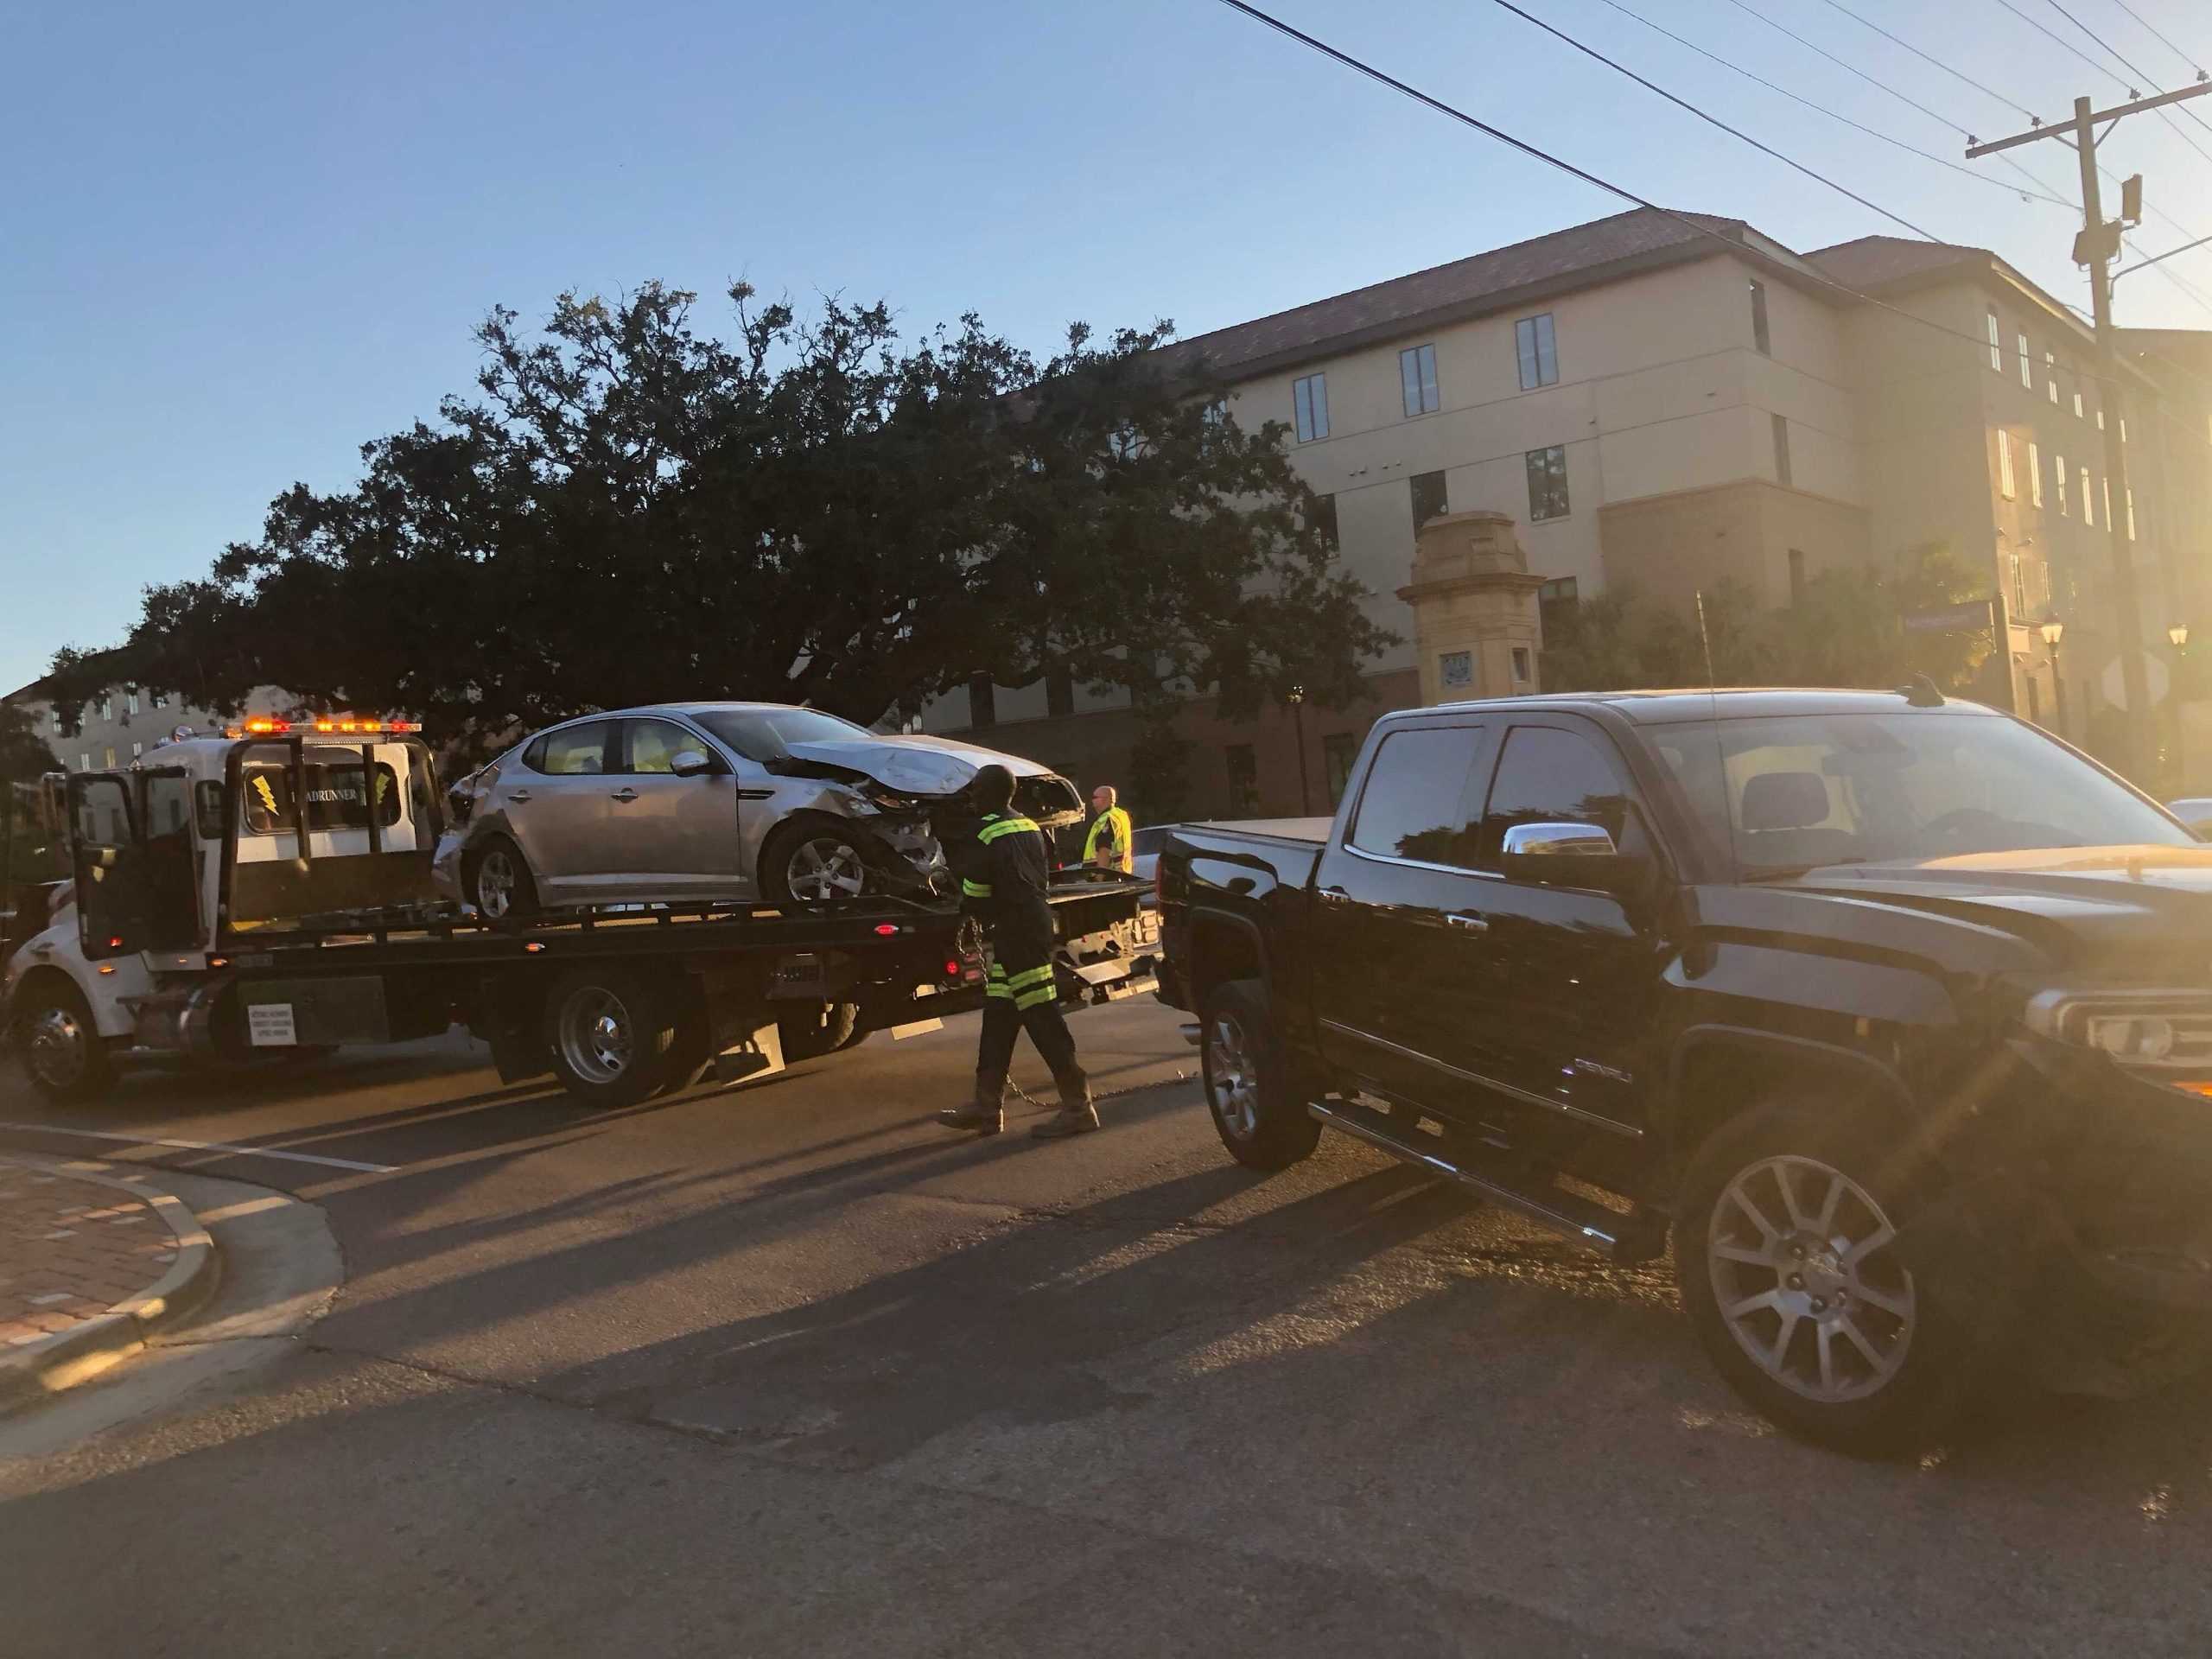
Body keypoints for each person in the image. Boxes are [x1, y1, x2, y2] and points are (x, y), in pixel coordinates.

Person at [937, 764, 1098, 1140]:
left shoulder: (984, 831)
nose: (972, 796)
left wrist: (962, 899)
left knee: (1042, 1016)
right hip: (1031, 924)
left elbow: (976, 891)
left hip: (1017, 932)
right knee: (998, 1017)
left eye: (976, 790)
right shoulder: (1029, 826)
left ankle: (1078, 1107)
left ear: (991, 793)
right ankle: (986, 1107)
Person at [1083, 784, 1134, 874]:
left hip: (1105, 878)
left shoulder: (1107, 818)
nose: (1092, 800)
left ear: (1105, 799)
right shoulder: (1121, 815)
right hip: (1121, 874)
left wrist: (1100, 878)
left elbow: (1104, 850)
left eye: (1095, 797)